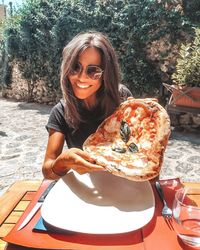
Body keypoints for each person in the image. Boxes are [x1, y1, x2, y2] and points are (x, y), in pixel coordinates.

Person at [42, 31, 132, 180]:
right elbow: (48, 171)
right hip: (86, 189)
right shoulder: (60, 111)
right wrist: (63, 162)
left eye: (93, 71)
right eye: (75, 68)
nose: (82, 78)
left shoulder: (122, 98)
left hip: (124, 182)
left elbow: (141, 148)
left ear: (106, 74)